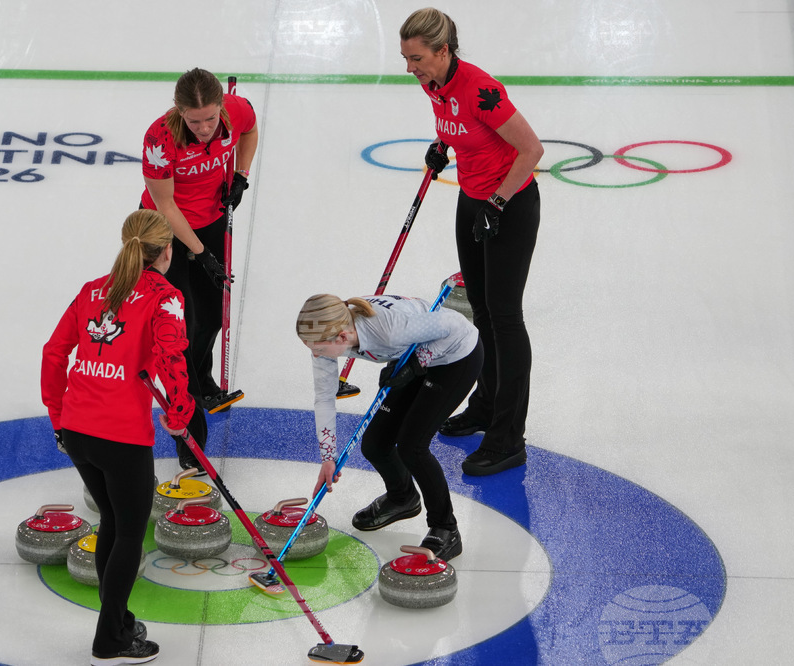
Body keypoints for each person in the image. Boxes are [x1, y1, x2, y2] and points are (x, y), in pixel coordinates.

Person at [42, 209, 202, 665]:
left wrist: (57, 416)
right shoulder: (165, 297)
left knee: (112, 521)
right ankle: (109, 639)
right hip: (123, 437)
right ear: (167, 250)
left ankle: (119, 621)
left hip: (76, 430)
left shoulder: (93, 289)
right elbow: (172, 357)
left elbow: (54, 354)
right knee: (130, 532)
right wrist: (179, 412)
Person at [400, 7, 544, 476]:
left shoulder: (481, 89)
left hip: (510, 204)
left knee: (505, 317)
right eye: (406, 57)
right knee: (479, 310)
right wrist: (443, 145)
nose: (410, 68)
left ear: (444, 51)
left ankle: (508, 437)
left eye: (417, 57)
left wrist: (499, 203)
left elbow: (531, 149)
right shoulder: (433, 84)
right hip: (473, 199)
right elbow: (460, 128)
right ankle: (484, 405)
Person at [296, 293, 483, 561]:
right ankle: (402, 497)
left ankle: (446, 528)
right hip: (413, 355)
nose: (315, 354)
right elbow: (325, 398)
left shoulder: (389, 329)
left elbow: (456, 326)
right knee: (375, 444)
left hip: (456, 356)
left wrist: (419, 361)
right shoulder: (331, 331)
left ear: (342, 338)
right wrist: (328, 457)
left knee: (412, 447)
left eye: (319, 349)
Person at [140, 67, 259, 429]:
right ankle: (188, 406)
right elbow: (165, 205)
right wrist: (200, 252)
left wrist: (241, 174)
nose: (205, 128)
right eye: (194, 122)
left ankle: (203, 381)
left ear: (221, 106)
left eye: (210, 119)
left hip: (210, 219)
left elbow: (250, 130)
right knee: (181, 321)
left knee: (211, 314)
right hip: (166, 231)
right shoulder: (160, 139)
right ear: (178, 112)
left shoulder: (235, 110)